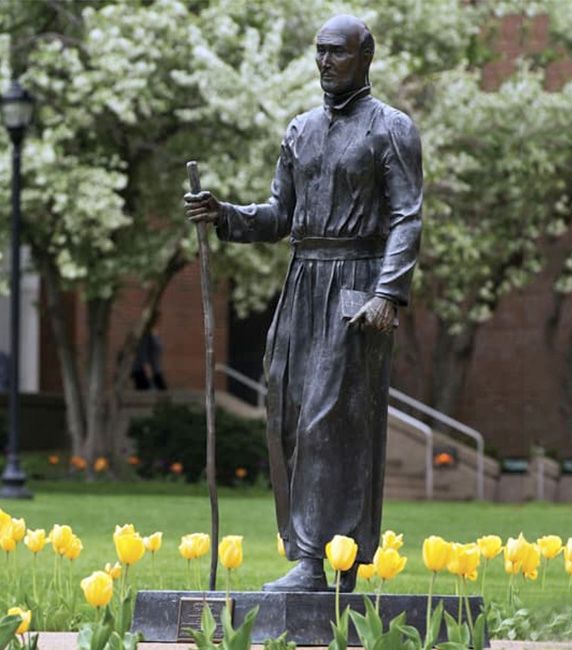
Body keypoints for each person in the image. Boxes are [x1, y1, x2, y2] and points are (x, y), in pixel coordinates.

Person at [185, 14, 422, 592]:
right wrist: (225, 215)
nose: (324, 63)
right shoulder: (300, 130)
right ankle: (312, 554)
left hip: (357, 287)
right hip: (303, 282)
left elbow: (406, 216)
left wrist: (388, 293)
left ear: (364, 57)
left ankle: (322, 561)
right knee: (289, 413)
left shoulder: (391, 128)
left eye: (336, 53)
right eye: (319, 53)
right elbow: (279, 216)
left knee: (329, 420)